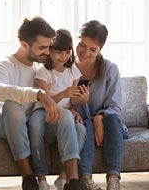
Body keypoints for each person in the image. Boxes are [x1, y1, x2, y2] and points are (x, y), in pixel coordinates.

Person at [0, 16, 81, 190]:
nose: (48, 53)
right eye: (42, 48)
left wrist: (72, 108)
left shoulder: (40, 69)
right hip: (3, 126)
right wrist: (38, 94)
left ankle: (72, 182)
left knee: (77, 126)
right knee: (13, 105)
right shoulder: (4, 64)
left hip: (32, 126)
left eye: (49, 47)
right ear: (24, 44)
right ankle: (28, 177)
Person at [28, 29, 88, 190]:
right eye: (58, 52)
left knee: (81, 130)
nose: (63, 56)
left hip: (65, 114)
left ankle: (64, 177)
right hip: (42, 110)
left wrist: (80, 101)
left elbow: (72, 100)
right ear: (50, 51)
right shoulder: (43, 72)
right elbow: (45, 101)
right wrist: (64, 94)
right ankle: (41, 177)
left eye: (67, 52)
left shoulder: (73, 70)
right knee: (34, 126)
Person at [74, 20, 129, 190]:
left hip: (109, 126)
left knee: (112, 118)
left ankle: (113, 179)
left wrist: (100, 116)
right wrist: (76, 112)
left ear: (100, 50)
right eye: (82, 45)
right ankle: (85, 178)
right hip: (83, 124)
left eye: (93, 49)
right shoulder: (66, 66)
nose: (85, 52)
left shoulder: (109, 69)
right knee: (84, 124)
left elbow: (115, 106)